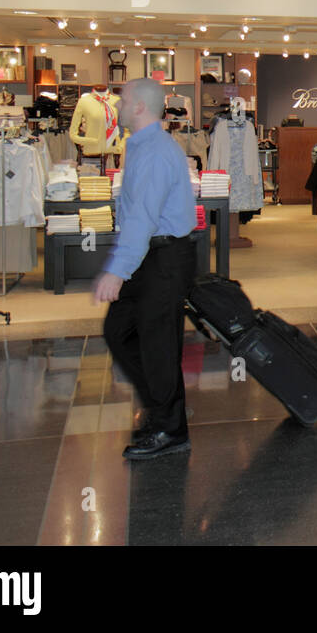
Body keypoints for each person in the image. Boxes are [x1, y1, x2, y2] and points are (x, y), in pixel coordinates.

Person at [91, 78, 197, 460]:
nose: (117, 105)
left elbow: (141, 219)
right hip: (150, 257)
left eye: (122, 100)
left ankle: (171, 429)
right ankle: (159, 407)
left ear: (139, 107)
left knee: (159, 346)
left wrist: (117, 271)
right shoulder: (140, 146)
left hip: (164, 258)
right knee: (118, 331)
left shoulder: (153, 153)